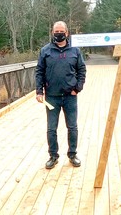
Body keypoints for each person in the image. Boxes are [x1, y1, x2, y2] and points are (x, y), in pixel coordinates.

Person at [35, 21, 86, 169]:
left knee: (72, 127)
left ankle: (72, 154)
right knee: (51, 128)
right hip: (51, 97)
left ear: (67, 33)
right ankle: (53, 156)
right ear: (52, 33)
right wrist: (39, 91)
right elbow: (39, 71)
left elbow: (82, 70)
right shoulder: (45, 51)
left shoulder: (75, 51)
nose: (58, 34)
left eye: (61, 31)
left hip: (70, 96)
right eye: (56, 31)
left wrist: (78, 88)